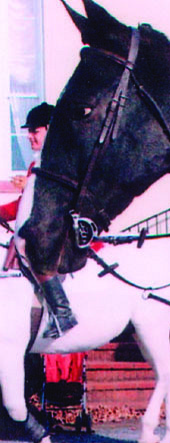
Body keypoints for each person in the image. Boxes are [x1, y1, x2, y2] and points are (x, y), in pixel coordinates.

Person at [0, 102, 77, 338]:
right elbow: (25, 204)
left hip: (59, 228)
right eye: (28, 131)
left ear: (50, 130)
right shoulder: (36, 163)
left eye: (35, 131)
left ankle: (63, 312)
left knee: (30, 247)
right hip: (39, 227)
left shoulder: (61, 162)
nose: (29, 137)